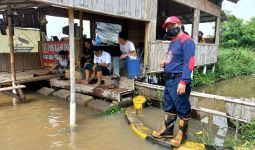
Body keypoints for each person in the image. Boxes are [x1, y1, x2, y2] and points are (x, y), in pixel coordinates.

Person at [152, 16, 195, 147]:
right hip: (169, 79)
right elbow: (175, 60)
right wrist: (166, 64)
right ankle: (168, 131)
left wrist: (184, 81)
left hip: (179, 80)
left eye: (172, 25)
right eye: (168, 27)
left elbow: (190, 62)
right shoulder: (173, 41)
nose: (170, 29)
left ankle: (182, 136)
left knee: (182, 108)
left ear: (179, 24)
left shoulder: (187, 41)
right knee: (169, 106)